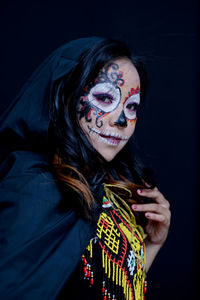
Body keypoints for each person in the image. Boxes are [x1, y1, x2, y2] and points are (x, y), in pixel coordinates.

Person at [0, 37, 171, 300]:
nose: (123, 119)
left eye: (132, 106)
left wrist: (152, 244)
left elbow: (109, 292)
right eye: (104, 98)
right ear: (66, 98)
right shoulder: (34, 187)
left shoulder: (110, 186)